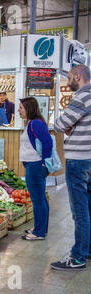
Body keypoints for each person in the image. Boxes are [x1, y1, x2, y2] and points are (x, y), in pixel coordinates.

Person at [51, 64, 91, 271]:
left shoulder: (82, 96)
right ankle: (88, 249)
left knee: (79, 210)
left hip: (79, 161)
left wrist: (72, 126)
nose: (68, 82)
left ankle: (77, 257)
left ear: (77, 76)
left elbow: (59, 125)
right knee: (89, 208)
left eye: (69, 77)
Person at [18, 97, 53, 241]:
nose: (19, 110)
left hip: (35, 165)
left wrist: (44, 163)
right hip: (34, 165)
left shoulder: (36, 123)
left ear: (29, 109)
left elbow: (48, 142)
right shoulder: (32, 123)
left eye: (21, 108)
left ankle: (39, 232)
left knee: (38, 200)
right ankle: (40, 227)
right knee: (41, 199)